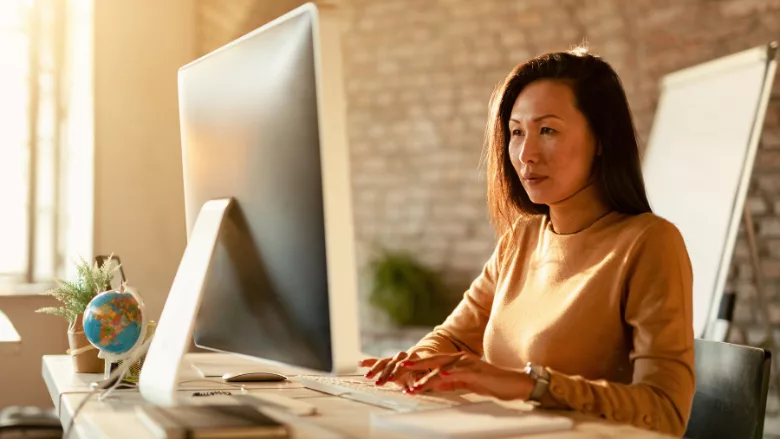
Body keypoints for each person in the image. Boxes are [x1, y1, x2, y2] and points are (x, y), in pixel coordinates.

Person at [360, 47, 695, 437]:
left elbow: (666, 411)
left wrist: (531, 384)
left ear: (601, 139)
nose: (525, 154)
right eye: (517, 132)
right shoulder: (521, 238)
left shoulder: (649, 242)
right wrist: (414, 364)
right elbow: (452, 338)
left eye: (547, 130)